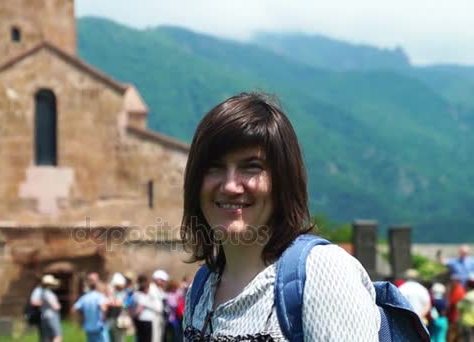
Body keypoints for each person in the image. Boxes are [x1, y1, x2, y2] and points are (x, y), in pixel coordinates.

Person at [180, 92, 380, 341]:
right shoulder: (202, 287)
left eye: (251, 166)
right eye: (214, 167)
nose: (230, 185)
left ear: (283, 180)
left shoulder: (322, 274)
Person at [72, 272, 108, 342]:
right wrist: (105, 318)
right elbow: (103, 308)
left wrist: (79, 321)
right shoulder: (99, 297)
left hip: (88, 327)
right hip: (99, 327)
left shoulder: (84, 298)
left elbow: (74, 309)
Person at [32, 274, 63, 342]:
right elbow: (56, 307)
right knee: (57, 336)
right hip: (52, 316)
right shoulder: (46, 293)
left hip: (44, 316)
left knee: (47, 338)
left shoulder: (43, 291)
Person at [130, 274, 158, 342]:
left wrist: (133, 316)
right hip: (145, 320)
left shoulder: (135, 294)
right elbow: (140, 308)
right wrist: (134, 316)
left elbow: (131, 306)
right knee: (146, 339)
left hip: (140, 319)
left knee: (140, 338)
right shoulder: (141, 295)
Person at [150, 269, 168, 342]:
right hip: (153, 316)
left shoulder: (160, 290)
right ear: (157, 280)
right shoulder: (151, 288)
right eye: (162, 280)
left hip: (160, 316)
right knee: (154, 336)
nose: (164, 283)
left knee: (159, 335)